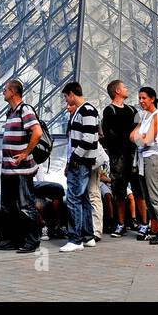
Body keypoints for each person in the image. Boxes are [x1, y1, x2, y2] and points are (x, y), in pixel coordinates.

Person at [0, 78, 42, 254]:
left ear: (13, 92)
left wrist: (25, 153)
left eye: (5, 89)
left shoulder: (26, 110)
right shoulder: (11, 112)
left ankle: (32, 241)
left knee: (25, 205)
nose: (3, 92)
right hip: (8, 169)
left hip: (21, 170)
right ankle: (16, 239)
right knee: (8, 208)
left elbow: (37, 132)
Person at [61, 81, 99, 251]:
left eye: (66, 97)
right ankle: (88, 235)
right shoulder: (80, 111)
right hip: (81, 160)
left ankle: (75, 239)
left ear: (72, 94)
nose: (66, 101)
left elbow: (89, 138)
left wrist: (74, 159)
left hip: (80, 161)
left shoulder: (87, 110)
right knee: (82, 198)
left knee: (74, 198)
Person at [102, 79, 141, 238]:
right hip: (119, 157)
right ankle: (120, 223)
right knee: (119, 191)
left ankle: (139, 222)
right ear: (117, 91)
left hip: (131, 155)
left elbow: (140, 126)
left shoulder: (132, 109)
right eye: (124, 86)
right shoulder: (109, 111)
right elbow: (109, 134)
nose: (127, 88)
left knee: (137, 190)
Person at [130, 87, 158, 244]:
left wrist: (141, 138)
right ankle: (154, 230)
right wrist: (142, 138)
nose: (141, 101)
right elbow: (132, 136)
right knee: (148, 197)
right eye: (140, 98)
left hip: (154, 159)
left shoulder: (157, 115)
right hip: (144, 159)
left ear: (152, 98)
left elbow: (145, 140)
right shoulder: (145, 116)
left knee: (156, 197)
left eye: (144, 98)